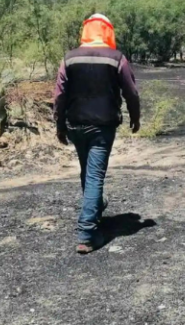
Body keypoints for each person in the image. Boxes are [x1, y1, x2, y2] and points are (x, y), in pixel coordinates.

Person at [54, 13, 141, 254]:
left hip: (75, 125)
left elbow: (59, 95)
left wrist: (59, 125)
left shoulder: (69, 58)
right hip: (102, 126)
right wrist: (135, 117)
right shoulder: (117, 58)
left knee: (88, 171)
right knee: (94, 176)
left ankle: (96, 206)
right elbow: (131, 93)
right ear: (107, 31)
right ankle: (87, 233)